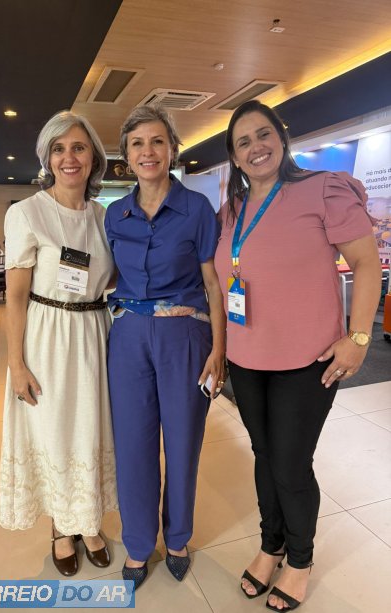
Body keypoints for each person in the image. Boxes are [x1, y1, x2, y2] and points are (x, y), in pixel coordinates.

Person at [214, 99, 382, 611]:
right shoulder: (231, 210)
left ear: (281, 139)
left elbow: (366, 263)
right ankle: (271, 545)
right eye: (243, 142)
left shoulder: (322, 189)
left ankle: (300, 560)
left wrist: (358, 338)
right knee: (265, 457)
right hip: (247, 360)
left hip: (307, 362)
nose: (256, 147)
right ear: (234, 156)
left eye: (263, 134)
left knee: (289, 464)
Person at [105, 105, 226, 590]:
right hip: (129, 336)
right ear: (126, 155)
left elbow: (213, 285)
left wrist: (218, 349)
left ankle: (177, 538)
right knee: (133, 444)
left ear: (173, 149)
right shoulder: (115, 214)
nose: (148, 151)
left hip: (185, 336)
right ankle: (138, 544)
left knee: (182, 441)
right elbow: (106, 275)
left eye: (157, 141)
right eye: (137, 143)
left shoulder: (197, 209)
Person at [0, 110, 118, 576]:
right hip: (47, 338)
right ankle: (61, 529)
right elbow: (15, 295)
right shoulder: (27, 213)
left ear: (94, 158)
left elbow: (112, 279)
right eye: (59, 149)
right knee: (54, 431)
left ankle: (89, 522)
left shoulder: (104, 217)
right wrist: (16, 363)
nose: (69, 157)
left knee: (90, 429)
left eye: (79, 147)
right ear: (47, 158)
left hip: (94, 334)